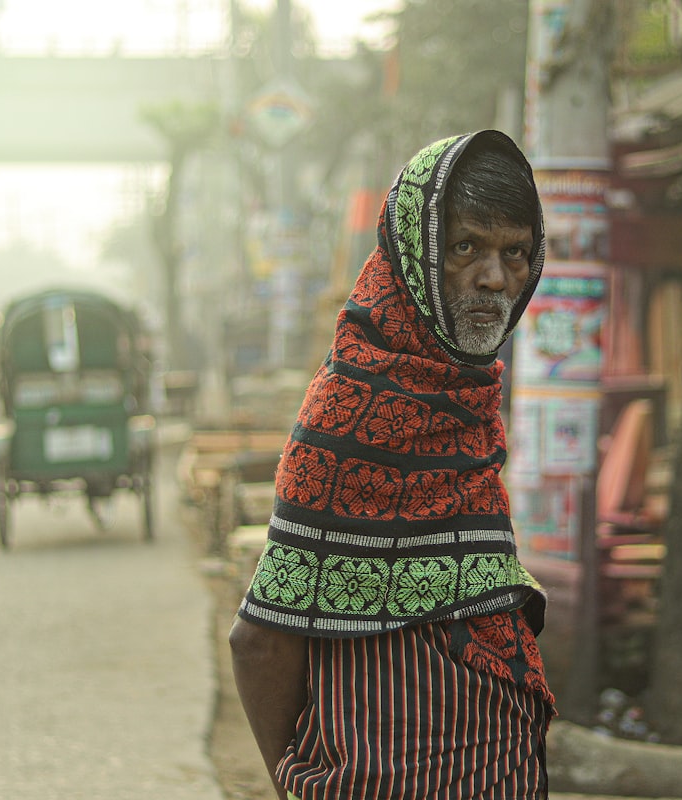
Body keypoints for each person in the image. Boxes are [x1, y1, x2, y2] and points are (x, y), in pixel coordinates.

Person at [229, 130, 555, 800]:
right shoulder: (347, 415)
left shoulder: (468, 398)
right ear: (416, 254)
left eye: (515, 253)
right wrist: (293, 780)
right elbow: (260, 643)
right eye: (467, 247)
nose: (495, 278)